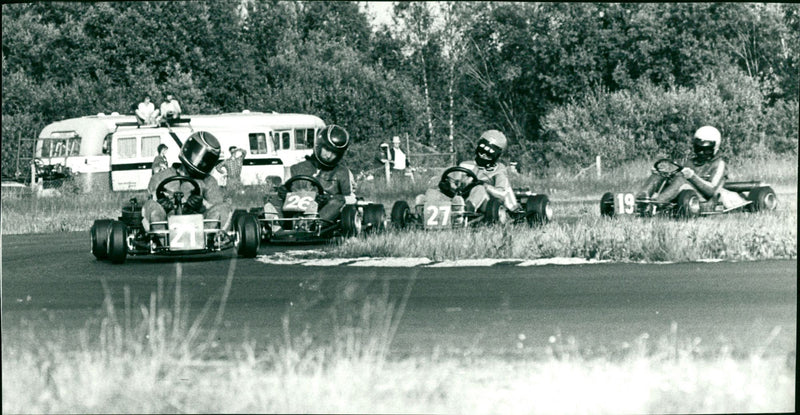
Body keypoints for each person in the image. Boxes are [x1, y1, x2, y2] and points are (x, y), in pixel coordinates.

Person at [262, 125, 356, 230]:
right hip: (293, 209)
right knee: (272, 198)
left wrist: (328, 198)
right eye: (327, 149)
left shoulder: (342, 172)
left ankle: (311, 224)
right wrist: (283, 191)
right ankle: (276, 226)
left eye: (334, 153)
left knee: (339, 200)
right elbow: (285, 189)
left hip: (323, 211)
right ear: (319, 146)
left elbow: (351, 198)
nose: (329, 155)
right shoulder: (296, 168)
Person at [142, 131, 232, 234]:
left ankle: (209, 239)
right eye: (196, 155)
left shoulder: (208, 181)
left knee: (225, 207)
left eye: (205, 160)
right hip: (166, 223)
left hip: (199, 226)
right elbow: (150, 201)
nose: (200, 161)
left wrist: (201, 205)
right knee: (150, 206)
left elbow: (216, 206)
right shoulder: (159, 177)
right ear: (188, 149)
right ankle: (160, 239)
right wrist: (162, 203)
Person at [637, 125, 747, 210]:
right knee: (659, 175)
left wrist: (692, 176)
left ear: (715, 148)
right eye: (699, 149)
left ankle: (655, 204)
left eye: (706, 149)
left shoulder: (719, 164)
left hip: (706, 199)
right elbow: (678, 180)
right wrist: (666, 175)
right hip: (687, 193)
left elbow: (712, 190)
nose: (701, 152)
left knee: (681, 180)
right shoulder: (691, 161)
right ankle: (641, 201)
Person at [414, 129, 520, 215]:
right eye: (481, 151)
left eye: (488, 154)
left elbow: (502, 194)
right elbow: (454, 183)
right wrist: (448, 185)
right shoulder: (465, 164)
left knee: (479, 189)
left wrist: (485, 186)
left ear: (496, 156)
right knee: (432, 192)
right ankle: (423, 210)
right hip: (460, 198)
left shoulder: (499, 170)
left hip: (486, 203)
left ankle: (465, 211)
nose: (483, 155)